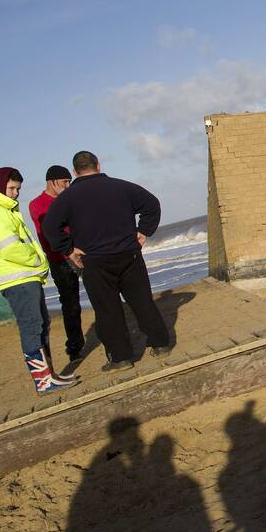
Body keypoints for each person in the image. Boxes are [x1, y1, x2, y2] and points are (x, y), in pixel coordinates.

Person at [42, 151, 170, 372]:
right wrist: (144, 231)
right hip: (128, 254)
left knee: (108, 310)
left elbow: (49, 227)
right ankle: (160, 344)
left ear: (74, 172)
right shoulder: (122, 187)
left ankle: (121, 359)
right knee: (141, 300)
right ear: (98, 165)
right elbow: (152, 205)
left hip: (95, 261)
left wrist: (69, 249)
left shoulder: (67, 198)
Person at [0, 167, 77, 393]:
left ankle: (49, 375)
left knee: (40, 324)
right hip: (16, 276)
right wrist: (38, 261)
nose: (15, 193)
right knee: (32, 325)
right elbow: (10, 249)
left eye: (18, 188)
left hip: (22, 275)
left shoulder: (2, 208)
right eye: (11, 188)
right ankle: (43, 381)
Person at [28, 165, 84, 361]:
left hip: (83, 252)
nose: (68, 186)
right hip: (60, 259)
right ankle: (75, 347)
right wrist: (67, 253)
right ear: (52, 182)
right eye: (64, 182)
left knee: (100, 293)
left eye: (69, 182)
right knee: (71, 304)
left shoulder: (71, 197)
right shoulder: (37, 204)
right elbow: (46, 237)